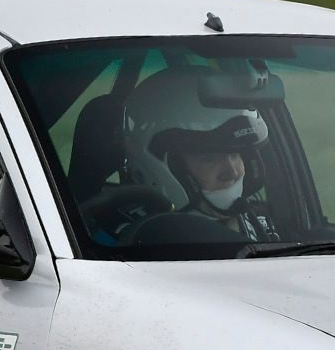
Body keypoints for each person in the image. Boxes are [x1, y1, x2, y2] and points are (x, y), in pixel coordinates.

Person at [119, 65, 280, 242]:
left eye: (235, 154)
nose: (232, 172)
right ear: (159, 165)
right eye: (209, 159)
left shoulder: (263, 224)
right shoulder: (126, 241)